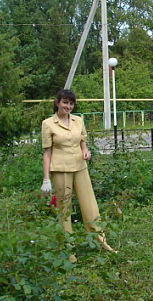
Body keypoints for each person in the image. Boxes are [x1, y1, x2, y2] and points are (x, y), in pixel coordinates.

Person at [41, 89, 116, 258]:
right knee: (64, 210)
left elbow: (82, 141)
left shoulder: (78, 120)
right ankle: (68, 251)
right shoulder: (48, 124)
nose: (68, 106)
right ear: (57, 102)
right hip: (60, 169)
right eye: (65, 102)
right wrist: (46, 179)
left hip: (80, 167)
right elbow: (47, 153)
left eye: (71, 103)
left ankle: (101, 242)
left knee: (90, 205)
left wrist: (86, 150)